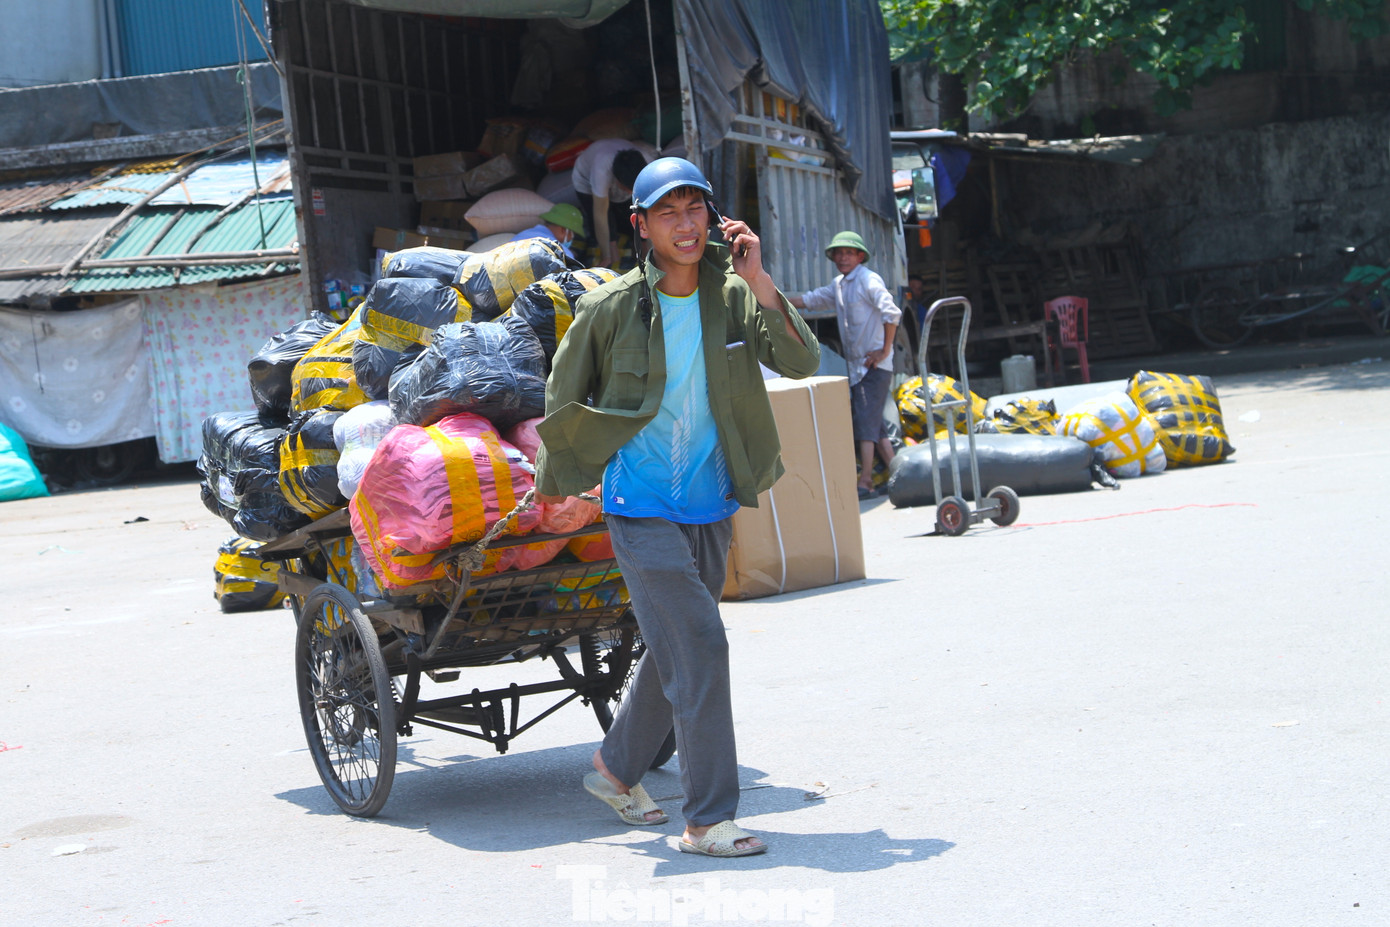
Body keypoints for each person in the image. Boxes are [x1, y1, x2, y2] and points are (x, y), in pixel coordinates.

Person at [534, 157, 819, 858]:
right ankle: (706, 820)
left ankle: (614, 769)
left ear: (714, 217)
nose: (686, 225)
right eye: (669, 213)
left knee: (677, 650)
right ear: (642, 226)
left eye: (695, 209)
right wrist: (563, 485)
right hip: (639, 506)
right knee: (701, 644)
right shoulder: (611, 308)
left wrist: (760, 278)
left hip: (711, 500)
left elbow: (802, 361)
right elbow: (562, 395)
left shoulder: (734, 295)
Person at [790, 231, 902, 499]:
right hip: (858, 367)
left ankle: (866, 481)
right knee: (875, 424)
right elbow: (811, 300)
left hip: (874, 365)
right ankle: (899, 474)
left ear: (860, 256)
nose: (842, 258)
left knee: (865, 425)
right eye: (839, 253)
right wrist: (768, 297)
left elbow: (892, 313)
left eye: (849, 253)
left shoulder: (867, 280)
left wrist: (884, 350)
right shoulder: (839, 285)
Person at [571, 137, 658, 267]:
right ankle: (612, 255)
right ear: (617, 180)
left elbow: (649, 210)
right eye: (627, 189)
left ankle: (643, 253)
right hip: (586, 182)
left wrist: (653, 251)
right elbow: (600, 215)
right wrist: (606, 255)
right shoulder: (601, 171)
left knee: (632, 219)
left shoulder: (648, 166)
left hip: (619, 175)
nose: (630, 193)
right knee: (606, 221)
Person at [509, 203, 586, 260]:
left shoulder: (523, 234)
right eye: (572, 235)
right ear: (564, 230)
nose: (571, 239)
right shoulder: (562, 254)